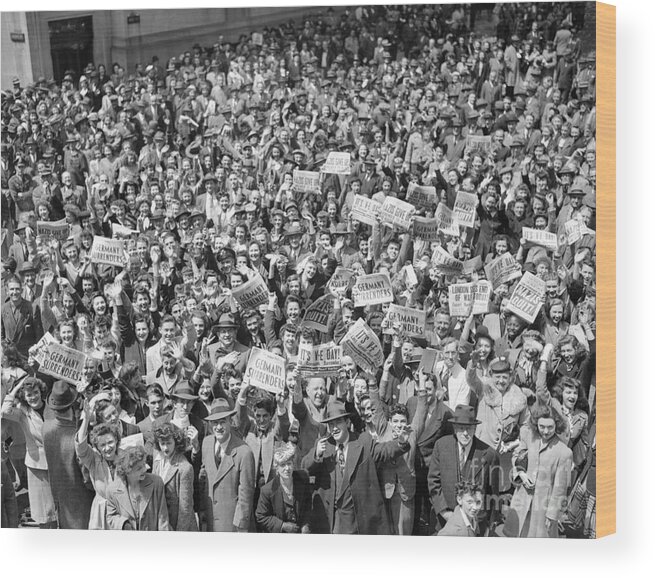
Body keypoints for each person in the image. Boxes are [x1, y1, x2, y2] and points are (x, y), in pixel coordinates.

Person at [302, 400, 411, 535]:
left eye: (338, 423)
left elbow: (384, 451)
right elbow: (305, 468)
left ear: (347, 423)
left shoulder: (362, 441)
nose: (334, 428)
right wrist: (316, 454)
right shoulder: (323, 444)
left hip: (357, 519)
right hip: (331, 519)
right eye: (331, 424)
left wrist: (401, 442)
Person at [427, 405, 500, 535]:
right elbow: (433, 482)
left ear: (475, 428)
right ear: (454, 428)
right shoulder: (441, 446)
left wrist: (489, 524)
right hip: (444, 521)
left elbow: (492, 494)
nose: (465, 433)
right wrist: (445, 513)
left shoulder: (489, 454)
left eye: (469, 428)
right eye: (461, 428)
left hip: (476, 524)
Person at [1, 376, 57, 528]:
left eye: (35, 392)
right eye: (29, 394)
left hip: (56, 462)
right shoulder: (22, 413)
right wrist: (16, 388)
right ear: (24, 397)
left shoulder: (51, 407)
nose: (33, 397)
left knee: (58, 507)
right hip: (37, 465)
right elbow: (3, 411)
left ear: (41, 392)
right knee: (45, 511)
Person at [510, 404, 573, 538]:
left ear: (557, 425)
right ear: (536, 424)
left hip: (542, 510)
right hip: (522, 502)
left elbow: (560, 489)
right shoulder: (529, 437)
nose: (545, 431)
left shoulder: (564, 452)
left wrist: (552, 516)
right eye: (542, 426)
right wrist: (521, 473)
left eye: (550, 427)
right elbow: (517, 456)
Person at [42, 381, 94, 529]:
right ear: (71, 405)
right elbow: (87, 476)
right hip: (81, 499)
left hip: (60, 496)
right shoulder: (77, 437)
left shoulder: (46, 427)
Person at [200, 398, 255, 532]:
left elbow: (245, 494)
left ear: (230, 422)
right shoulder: (206, 443)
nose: (218, 427)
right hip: (210, 519)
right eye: (214, 422)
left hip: (231, 524)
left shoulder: (244, 452)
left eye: (222, 422)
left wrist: (240, 526)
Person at [75, 394, 122, 529]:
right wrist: (86, 419)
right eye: (102, 445)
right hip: (102, 512)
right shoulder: (94, 459)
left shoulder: (123, 455)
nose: (107, 448)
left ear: (117, 441)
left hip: (122, 509)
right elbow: (80, 446)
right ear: (96, 447)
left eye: (110, 442)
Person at [106, 446, 171, 531]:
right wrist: (123, 524)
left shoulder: (156, 482)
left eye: (144, 464)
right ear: (127, 471)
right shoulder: (112, 490)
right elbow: (111, 516)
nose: (144, 469)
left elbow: (162, 517)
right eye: (139, 468)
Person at [255, 441, 313, 533]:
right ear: (277, 468)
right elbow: (261, 516)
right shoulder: (267, 490)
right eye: (282, 465)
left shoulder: (303, 480)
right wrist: (282, 525)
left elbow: (308, 506)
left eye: (289, 463)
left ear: (293, 464)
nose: (287, 468)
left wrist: (305, 525)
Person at [151, 422, 198, 531]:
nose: (165, 448)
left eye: (169, 443)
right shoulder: (157, 460)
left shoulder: (185, 468)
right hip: (161, 523)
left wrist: (178, 535)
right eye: (162, 443)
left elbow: (185, 509)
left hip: (179, 525)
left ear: (176, 443)